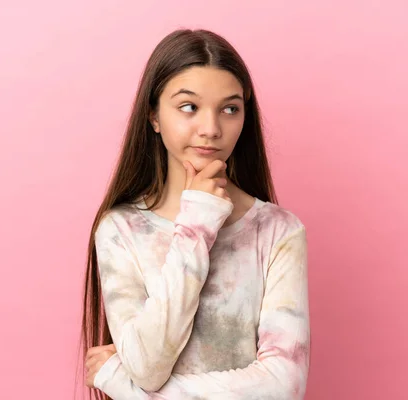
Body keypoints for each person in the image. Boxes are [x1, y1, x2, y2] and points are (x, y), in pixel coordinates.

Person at [80, 28, 310, 400]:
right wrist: (198, 221)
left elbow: (284, 385)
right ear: (154, 116)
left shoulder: (278, 232)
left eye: (230, 109)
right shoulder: (121, 230)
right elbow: (148, 366)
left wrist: (126, 388)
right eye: (189, 107)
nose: (211, 129)